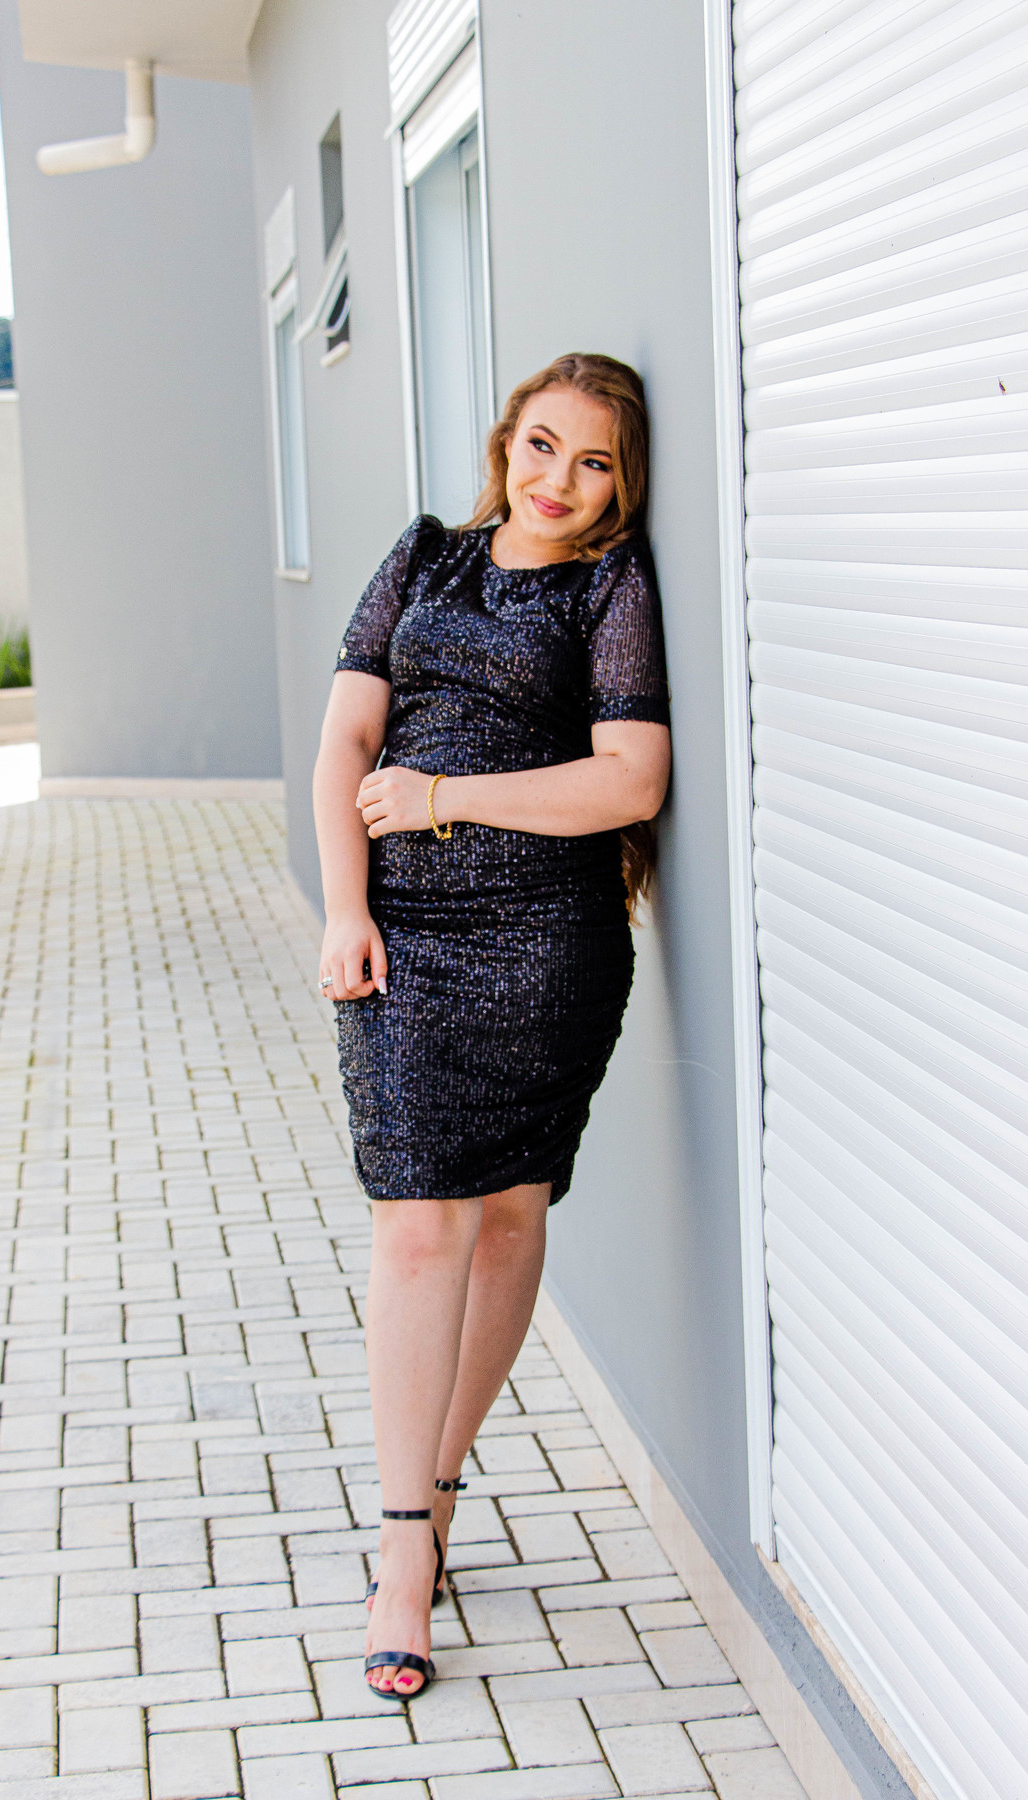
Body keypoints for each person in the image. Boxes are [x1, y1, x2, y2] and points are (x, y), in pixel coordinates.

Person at [312, 353, 671, 1699]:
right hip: (406, 937)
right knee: (418, 1226)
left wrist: (448, 795)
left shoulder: (610, 587)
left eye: (593, 461)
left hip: (545, 944)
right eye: (541, 445)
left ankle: (440, 1488)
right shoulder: (423, 557)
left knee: (511, 1218)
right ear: (504, 443)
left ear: (621, 483)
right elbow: (346, 744)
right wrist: (345, 908)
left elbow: (631, 779)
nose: (559, 479)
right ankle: (404, 1548)